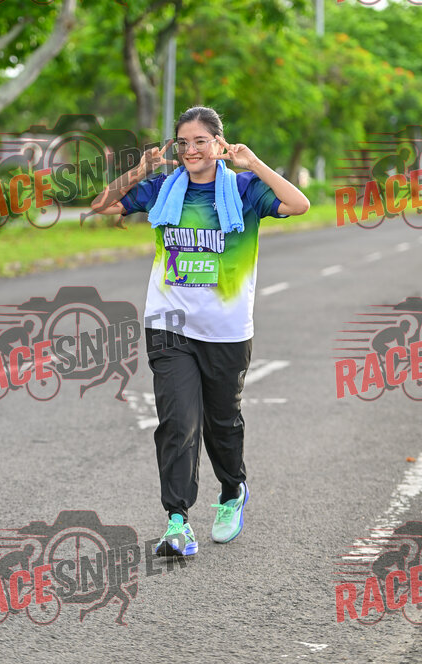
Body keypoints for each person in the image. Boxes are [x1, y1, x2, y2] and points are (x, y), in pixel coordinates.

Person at [91, 106, 310, 556]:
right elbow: (101, 205)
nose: (190, 150)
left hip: (226, 329)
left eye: (200, 141)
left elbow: (298, 204)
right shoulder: (163, 189)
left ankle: (232, 492)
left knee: (222, 423)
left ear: (218, 144)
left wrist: (254, 164)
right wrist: (140, 169)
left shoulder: (244, 189)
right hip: (169, 324)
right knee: (177, 423)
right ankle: (177, 522)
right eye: (183, 143)